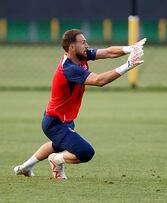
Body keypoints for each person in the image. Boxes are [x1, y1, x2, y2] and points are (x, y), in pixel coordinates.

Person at [13, 29, 146, 180]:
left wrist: (130, 48)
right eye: (82, 42)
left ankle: (25, 167)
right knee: (85, 152)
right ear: (71, 47)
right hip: (55, 122)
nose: (87, 45)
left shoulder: (81, 55)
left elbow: (109, 52)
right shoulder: (69, 68)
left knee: (57, 144)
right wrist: (128, 64)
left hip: (62, 119)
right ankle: (56, 160)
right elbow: (99, 81)